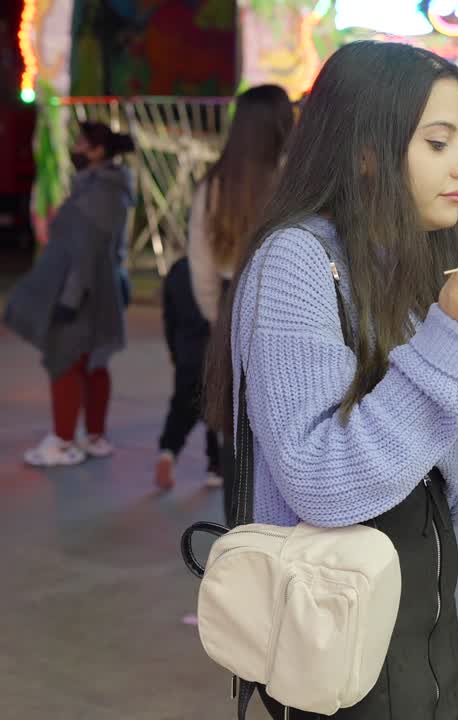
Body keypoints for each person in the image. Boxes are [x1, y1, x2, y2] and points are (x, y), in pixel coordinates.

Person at [203, 41, 458, 717]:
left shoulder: (410, 265)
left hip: (427, 650)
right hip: (334, 651)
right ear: (366, 151)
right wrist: (452, 341)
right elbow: (323, 481)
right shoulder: (295, 261)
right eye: (439, 142)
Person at [156, 84, 294, 492]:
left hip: (231, 301)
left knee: (236, 421)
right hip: (285, 301)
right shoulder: (291, 182)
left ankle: (240, 526)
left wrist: (220, 319)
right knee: (282, 420)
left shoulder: (213, 185)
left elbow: (200, 266)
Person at [4, 122, 135, 467]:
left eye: (81, 143)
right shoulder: (105, 188)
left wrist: (69, 299)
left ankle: (63, 442)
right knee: (93, 361)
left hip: (82, 292)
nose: (76, 149)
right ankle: (94, 435)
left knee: (66, 359)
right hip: (99, 288)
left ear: (98, 151)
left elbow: (87, 253)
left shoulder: (100, 193)